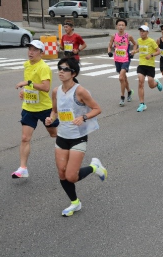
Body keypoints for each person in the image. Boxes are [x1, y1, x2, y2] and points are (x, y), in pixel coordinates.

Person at [45, 57, 107, 216]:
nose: (61, 71)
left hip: (78, 137)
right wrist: (51, 118)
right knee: (61, 173)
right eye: (59, 68)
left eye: (65, 69)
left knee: (71, 176)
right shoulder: (56, 91)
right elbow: (55, 110)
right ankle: (75, 203)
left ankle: (95, 167)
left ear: (73, 73)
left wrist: (84, 117)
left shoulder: (79, 91)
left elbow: (97, 109)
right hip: (62, 136)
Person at [12, 40, 59, 178]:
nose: (30, 52)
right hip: (29, 107)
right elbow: (30, 87)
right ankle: (23, 168)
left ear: (41, 53)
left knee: (54, 134)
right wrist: (25, 92)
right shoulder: (27, 65)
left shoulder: (43, 67)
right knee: (25, 138)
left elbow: (45, 87)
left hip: (44, 109)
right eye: (29, 49)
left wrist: (28, 83)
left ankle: (70, 145)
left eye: (34, 50)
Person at [107, 18, 137, 106]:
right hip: (117, 60)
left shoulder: (128, 36)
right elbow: (109, 46)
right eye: (119, 25)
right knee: (124, 78)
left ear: (125, 26)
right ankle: (129, 92)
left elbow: (135, 44)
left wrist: (133, 52)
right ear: (116, 26)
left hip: (126, 59)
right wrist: (109, 52)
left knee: (121, 78)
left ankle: (122, 97)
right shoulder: (114, 36)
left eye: (122, 25)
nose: (121, 27)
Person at [134, 25, 162, 112]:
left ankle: (156, 83)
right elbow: (140, 48)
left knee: (151, 85)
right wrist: (135, 51)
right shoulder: (139, 40)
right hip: (141, 64)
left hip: (150, 65)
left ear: (147, 32)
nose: (141, 32)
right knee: (140, 82)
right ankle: (142, 104)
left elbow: (159, 51)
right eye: (140, 31)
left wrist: (151, 55)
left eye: (143, 31)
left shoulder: (151, 41)